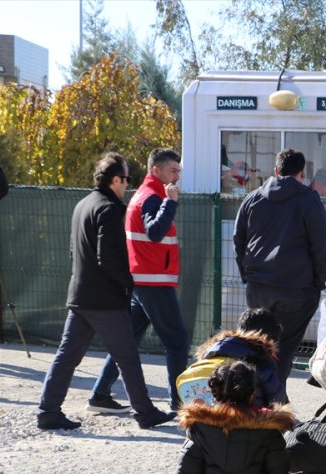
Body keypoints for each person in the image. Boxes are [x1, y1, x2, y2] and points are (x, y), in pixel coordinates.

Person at [36, 153, 175, 430]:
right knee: (128, 358)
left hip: (80, 295)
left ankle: (47, 411)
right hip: (105, 301)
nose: (128, 184)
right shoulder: (110, 210)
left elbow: (74, 251)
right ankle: (145, 413)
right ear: (114, 180)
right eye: (126, 179)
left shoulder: (83, 204)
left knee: (66, 357)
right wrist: (127, 284)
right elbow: (108, 258)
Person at [88, 148, 189, 414]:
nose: (177, 176)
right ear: (156, 170)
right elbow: (155, 232)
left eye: (178, 171)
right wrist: (171, 203)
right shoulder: (154, 197)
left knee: (126, 341)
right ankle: (179, 404)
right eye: (173, 171)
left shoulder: (143, 195)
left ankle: (100, 394)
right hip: (154, 282)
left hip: (143, 280)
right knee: (177, 342)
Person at [234, 149, 326, 403]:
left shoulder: (253, 199)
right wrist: (318, 282)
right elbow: (321, 245)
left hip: (258, 285)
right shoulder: (309, 200)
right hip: (297, 288)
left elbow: (239, 240)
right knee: (284, 350)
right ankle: (274, 405)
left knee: (256, 345)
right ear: (303, 173)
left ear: (275, 170)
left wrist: (247, 275)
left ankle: (251, 401)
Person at [193, 308, 285, 408]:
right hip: (247, 415)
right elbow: (278, 398)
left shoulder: (211, 351)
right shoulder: (261, 360)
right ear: (266, 337)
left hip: (205, 412)